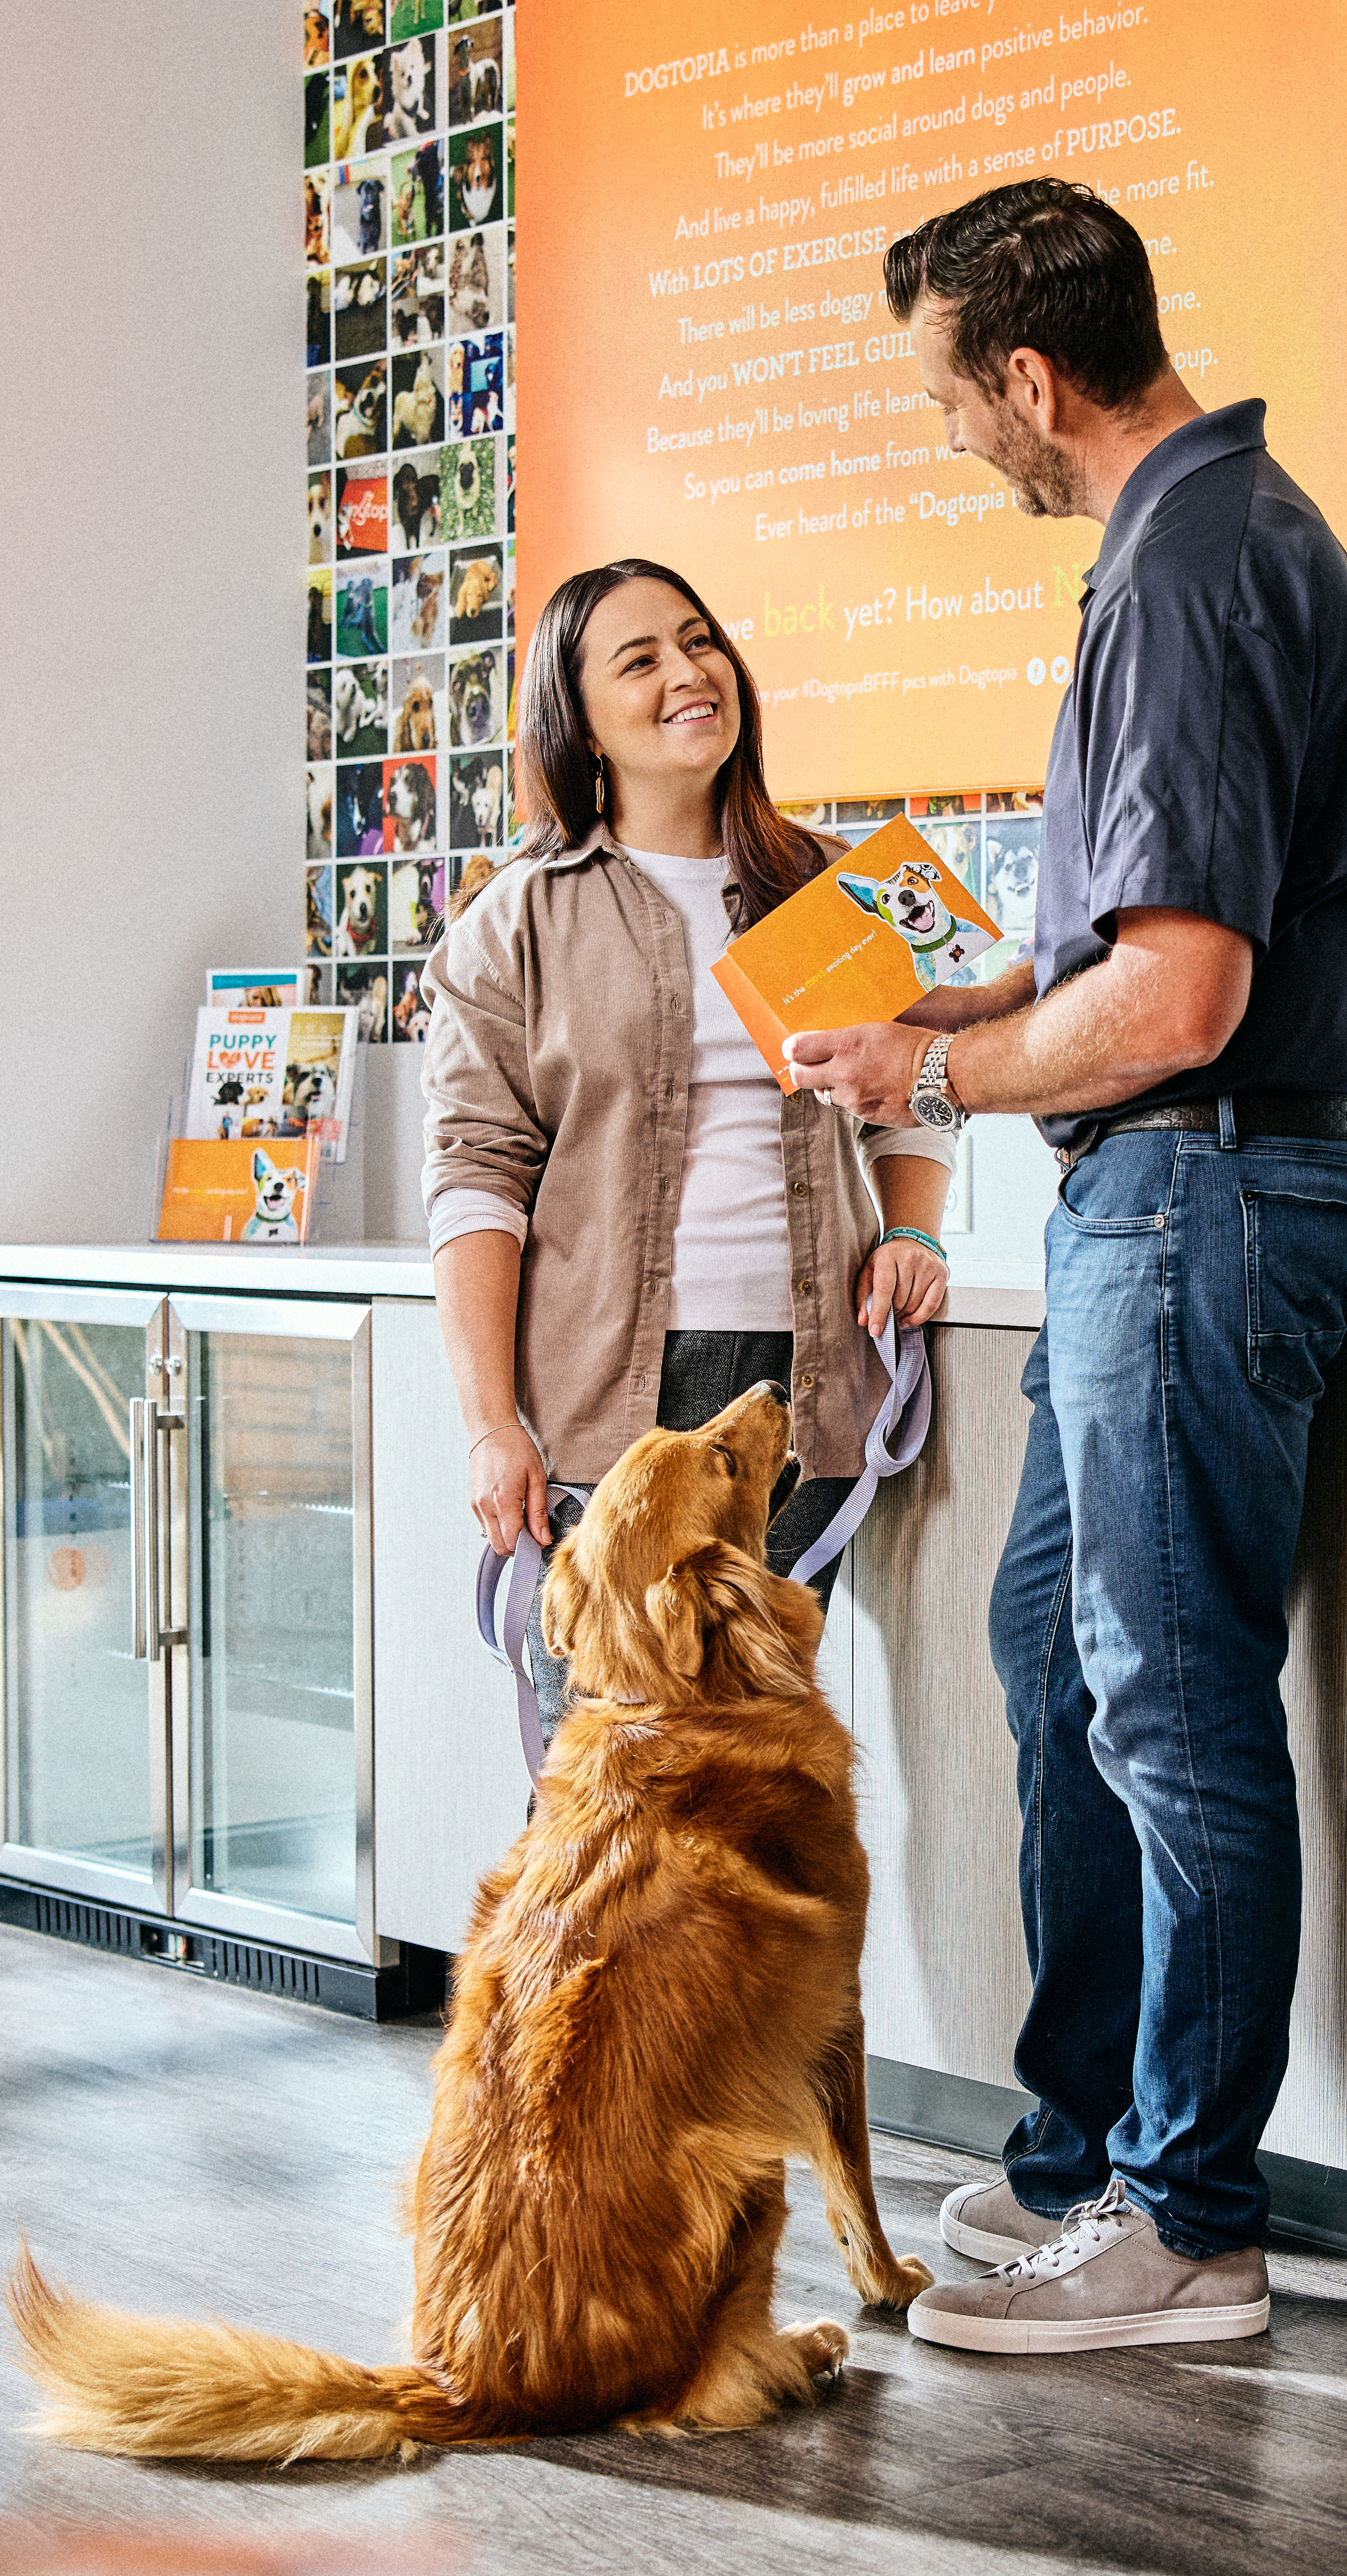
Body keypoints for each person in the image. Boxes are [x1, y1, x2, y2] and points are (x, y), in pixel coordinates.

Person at [784, 180, 1347, 2357]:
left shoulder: (1190, 568)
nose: (959, 442)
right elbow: (1126, 973)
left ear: (1028, 379)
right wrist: (958, 1019)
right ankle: (1080, 2160)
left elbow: (1181, 1001)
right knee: (1064, 1645)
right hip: (1181, 1189)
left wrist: (938, 1087)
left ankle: (1185, 2223)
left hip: (1203, 1189)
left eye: (950, 403)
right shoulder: (1215, 545)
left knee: (1165, 1697)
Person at [418, 559, 954, 1748]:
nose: (688, 673)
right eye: (641, 658)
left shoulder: (823, 887)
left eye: (699, 641)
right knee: (603, 1784)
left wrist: (912, 1227)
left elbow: (913, 1094)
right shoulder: (517, 918)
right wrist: (489, 1420)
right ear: (580, 719)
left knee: (754, 1776)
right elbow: (475, 1176)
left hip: (806, 1386)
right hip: (606, 1400)